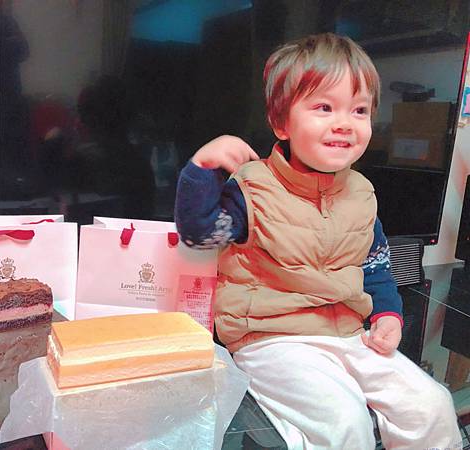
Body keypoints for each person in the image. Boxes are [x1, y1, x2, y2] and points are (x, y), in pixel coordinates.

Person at [175, 33, 462, 450]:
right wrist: (202, 167)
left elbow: (375, 268)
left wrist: (388, 316)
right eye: (325, 107)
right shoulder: (253, 188)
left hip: (348, 333)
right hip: (270, 339)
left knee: (430, 405)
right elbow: (199, 233)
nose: (344, 122)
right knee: (345, 421)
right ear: (282, 123)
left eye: (359, 110)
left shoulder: (361, 194)